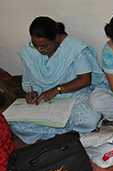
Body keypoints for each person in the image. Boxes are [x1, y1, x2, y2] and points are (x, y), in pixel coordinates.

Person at [10, 16, 103, 144]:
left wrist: (57, 90)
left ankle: (51, 131)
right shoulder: (29, 52)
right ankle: (66, 132)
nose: (40, 50)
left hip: (73, 96)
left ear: (57, 39)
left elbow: (85, 80)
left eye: (45, 46)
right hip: (43, 99)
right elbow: (29, 81)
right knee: (15, 124)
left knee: (90, 119)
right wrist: (31, 93)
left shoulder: (74, 49)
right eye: (35, 45)